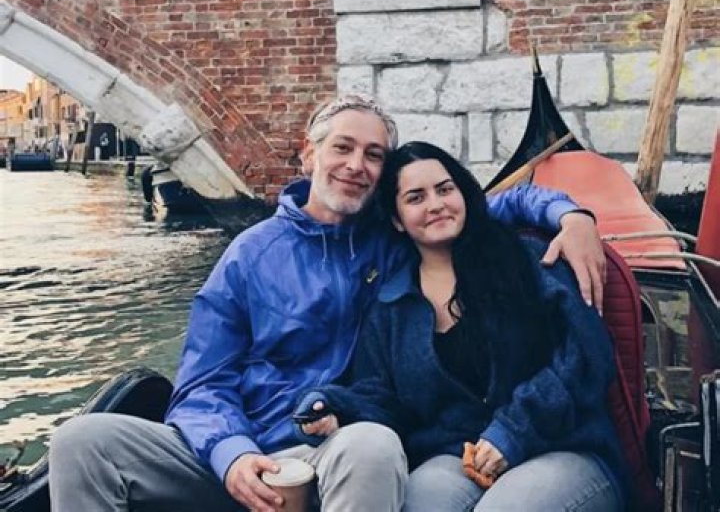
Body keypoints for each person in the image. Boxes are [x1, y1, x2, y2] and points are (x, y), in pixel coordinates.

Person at [49, 95, 606, 512]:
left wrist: (571, 215)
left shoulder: (391, 238)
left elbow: (478, 208)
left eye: (373, 155)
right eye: (342, 147)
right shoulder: (247, 255)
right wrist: (233, 454)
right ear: (308, 153)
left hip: (328, 448)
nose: (356, 165)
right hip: (232, 449)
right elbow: (200, 387)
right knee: (83, 440)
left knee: (371, 444)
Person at [295, 141, 628, 511]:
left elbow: (586, 354)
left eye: (444, 189)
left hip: (563, 447)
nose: (436, 204)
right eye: (416, 198)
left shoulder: (529, 258)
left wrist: (514, 431)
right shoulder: (390, 307)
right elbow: (383, 399)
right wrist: (336, 408)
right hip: (455, 456)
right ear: (396, 219)